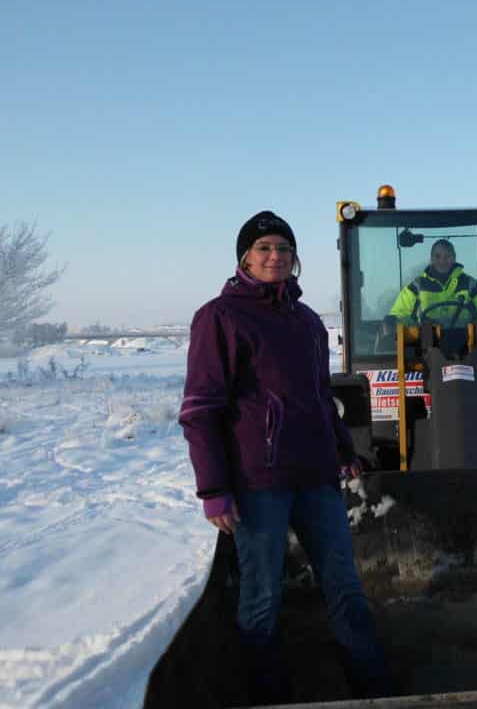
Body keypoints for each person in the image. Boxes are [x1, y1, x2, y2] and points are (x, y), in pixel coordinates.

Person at [179, 210, 391, 703]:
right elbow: (200, 410)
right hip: (258, 484)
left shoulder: (307, 321)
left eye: (284, 249)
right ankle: (271, 696)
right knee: (261, 599)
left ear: (295, 260)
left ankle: (374, 689)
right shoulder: (220, 317)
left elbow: (319, 396)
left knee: (345, 589)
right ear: (244, 259)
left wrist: (343, 448)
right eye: (264, 249)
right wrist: (213, 489)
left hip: (316, 477)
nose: (275, 257)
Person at [388, 238, 477, 326]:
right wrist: (394, 322)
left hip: (466, 342)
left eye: (447, 256)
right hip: (425, 343)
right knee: (425, 329)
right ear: (431, 259)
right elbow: (400, 313)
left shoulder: (470, 285)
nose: (442, 261)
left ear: (454, 258)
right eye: (437, 256)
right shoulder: (417, 287)